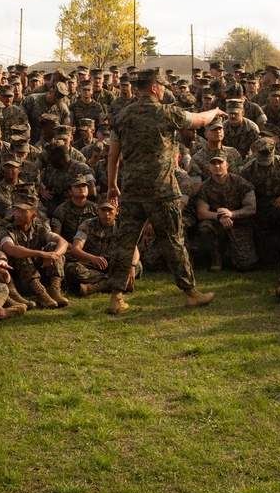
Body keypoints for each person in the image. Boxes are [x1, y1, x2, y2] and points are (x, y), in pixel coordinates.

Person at [106, 69, 222, 314]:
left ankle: (116, 297)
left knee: (125, 242)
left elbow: (113, 156)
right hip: (162, 190)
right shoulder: (167, 112)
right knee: (173, 241)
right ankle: (190, 293)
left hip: (132, 190)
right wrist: (215, 111)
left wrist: (112, 185)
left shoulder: (121, 116)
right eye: (161, 86)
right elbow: (200, 120)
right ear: (154, 88)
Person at [195, 151, 258, 273]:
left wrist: (232, 214)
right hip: (218, 223)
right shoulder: (205, 187)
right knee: (205, 227)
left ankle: (230, 254)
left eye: (220, 163)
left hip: (239, 223)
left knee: (246, 265)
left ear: (227, 165)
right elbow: (201, 212)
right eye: (213, 164)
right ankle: (216, 258)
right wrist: (220, 217)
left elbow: (251, 208)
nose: (217, 166)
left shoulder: (241, 183)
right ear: (209, 167)